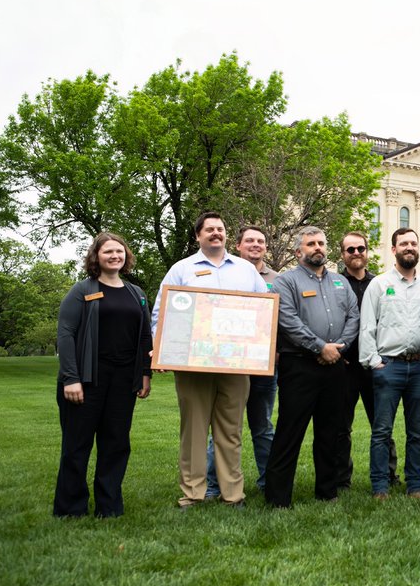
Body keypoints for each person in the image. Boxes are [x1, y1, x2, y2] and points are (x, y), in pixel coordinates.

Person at [152, 211, 268, 508]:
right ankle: (193, 493)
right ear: (198, 236)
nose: (216, 233)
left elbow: (265, 314)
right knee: (193, 429)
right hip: (193, 366)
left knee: (230, 430)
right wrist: (162, 347)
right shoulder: (182, 269)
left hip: (235, 365)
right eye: (209, 230)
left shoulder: (245, 270)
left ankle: (233, 494)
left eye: (220, 228)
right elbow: (161, 313)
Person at [53, 233, 152, 518]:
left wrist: (145, 375)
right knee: (77, 445)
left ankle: (109, 507)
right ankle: (71, 509)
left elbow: (145, 335)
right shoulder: (82, 290)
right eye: (108, 251)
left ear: (126, 256)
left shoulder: (137, 294)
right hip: (87, 379)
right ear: (96, 256)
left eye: (119, 251)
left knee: (116, 443)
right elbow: (66, 334)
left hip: (123, 381)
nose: (114, 256)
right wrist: (71, 378)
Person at [263, 227, 360, 507]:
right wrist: (320, 347)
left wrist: (337, 347)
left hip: (335, 367)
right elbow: (288, 320)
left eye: (321, 243)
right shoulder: (286, 282)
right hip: (300, 367)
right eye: (311, 244)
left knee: (330, 432)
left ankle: (327, 491)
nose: (317, 247)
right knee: (289, 432)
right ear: (298, 251)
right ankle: (278, 497)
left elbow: (353, 316)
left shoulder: (340, 282)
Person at [358, 227, 420, 499]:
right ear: (394, 249)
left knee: (417, 430)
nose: (409, 247)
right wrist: (373, 361)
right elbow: (367, 326)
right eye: (403, 243)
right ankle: (380, 485)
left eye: (413, 243)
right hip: (388, 367)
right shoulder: (378, 284)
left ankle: (415, 484)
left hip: (419, 368)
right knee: (382, 430)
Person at [205, 225, 279, 498]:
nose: (255, 244)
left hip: (263, 367)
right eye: (249, 240)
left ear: (266, 247)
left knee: (263, 427)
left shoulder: (277, 278)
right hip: (226, 364)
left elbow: (279, 318)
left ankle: (268, 482)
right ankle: (213, 486)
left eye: (260, 241)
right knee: (222, 427)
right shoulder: (225, 274)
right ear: (238, 245)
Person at [334, 231, 398, 491]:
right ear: (343, 255)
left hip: (375, 365)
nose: (356, 253)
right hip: (346, 366)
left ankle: (388, 474)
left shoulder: (380, 284)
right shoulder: (335, 284)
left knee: (382, 424)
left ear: (367, 251)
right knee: (341, 426)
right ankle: (341, 479)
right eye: (351, 249)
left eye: (361, 248)